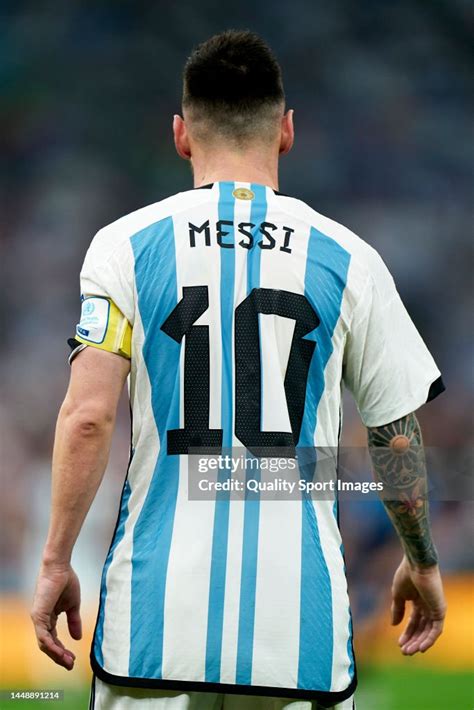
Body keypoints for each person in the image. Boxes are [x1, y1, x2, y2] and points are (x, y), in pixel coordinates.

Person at [31, 30, 447, 710]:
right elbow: (395, 435)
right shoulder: (350, 258)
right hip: (298, 630)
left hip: (153, 622)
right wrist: (423, 561)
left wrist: (54, 561)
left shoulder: (124, 247)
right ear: (287, 131)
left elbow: (87, 418)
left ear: (180, 135)